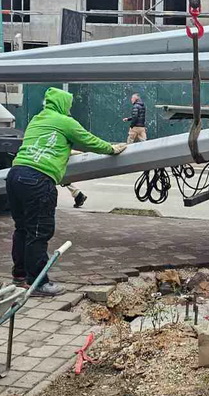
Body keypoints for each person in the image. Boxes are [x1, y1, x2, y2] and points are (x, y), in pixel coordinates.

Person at [7, 87, 126, 296]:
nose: (69, 109)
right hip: (38, 179)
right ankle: (38, 283)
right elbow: (90, 140)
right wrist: (111, 148)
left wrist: (65, 150)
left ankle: (19, 276)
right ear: (63, 104)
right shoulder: (65, 121)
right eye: (68, 105)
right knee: (38, 232)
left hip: (15, 175)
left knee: (23, 229)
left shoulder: (38, 119)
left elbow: (42, 142)